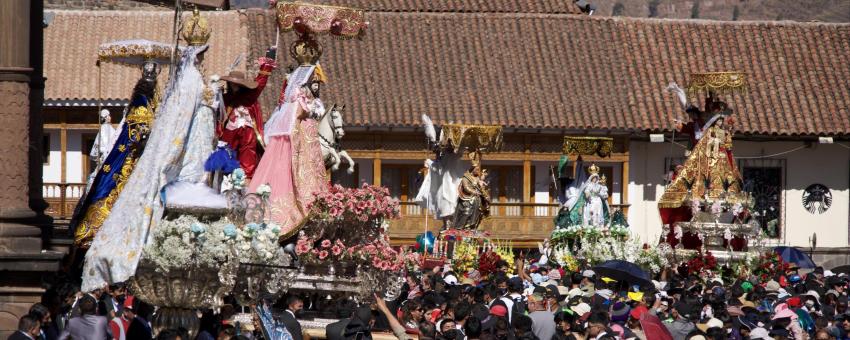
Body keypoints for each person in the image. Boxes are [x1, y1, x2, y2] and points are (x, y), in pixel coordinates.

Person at [81, 9, 218, 291]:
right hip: (185, 152)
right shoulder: (190, 80)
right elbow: (178, 124)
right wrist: (169, 158)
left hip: (195, 148)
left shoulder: (186, 79)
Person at [248, 61, 329, 237]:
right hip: (299, 145)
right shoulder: (298, 102)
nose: (315, 87)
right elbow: (295, 122)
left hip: (309, 145)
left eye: (316, 84)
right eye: (312, 83)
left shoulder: (308, 102)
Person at [219, 48, 277, 179]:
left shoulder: (249, 96)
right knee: (226, 153)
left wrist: (268, 63)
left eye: (237, 84)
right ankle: (226, 179)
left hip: (247, 129)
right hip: (230, 129)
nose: (235, 86)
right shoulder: (224, 97)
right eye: (232, 84)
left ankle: (246, 180)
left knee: (248, 153)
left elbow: (260, 82)